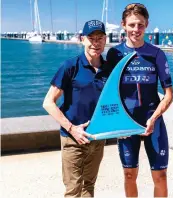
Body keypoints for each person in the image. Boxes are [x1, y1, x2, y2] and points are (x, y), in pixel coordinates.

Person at [106, 3, 173, 197]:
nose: (136, 29)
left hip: (153, 121)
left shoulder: (156, 54)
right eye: (132, 24)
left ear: (147, 25)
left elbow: (169, 94)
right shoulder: (115, 54)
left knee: (160, 175)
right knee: (129, 174)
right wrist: (116, 121)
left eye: (141, 25)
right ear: (123, 25)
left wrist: (154, 118)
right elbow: (108, 93)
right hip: (127, 123)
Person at [43, 19, 107, 197]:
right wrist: (72, 128)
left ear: (105, 40)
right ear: (82, 39)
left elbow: (112, 103)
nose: (95, 42)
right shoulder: (70, 66)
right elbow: (48, 102)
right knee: (73, 190)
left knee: (89, 186)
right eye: (91, 38)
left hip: (97, 138)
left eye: (99, 38)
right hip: (73, 139)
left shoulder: (109, 69)